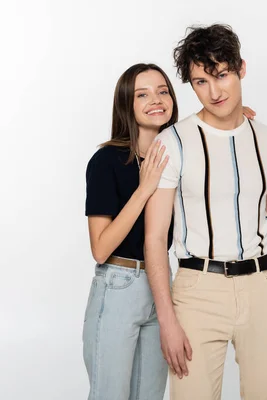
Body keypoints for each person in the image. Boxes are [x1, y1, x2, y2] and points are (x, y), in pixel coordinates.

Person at [144, 24, 267, 400]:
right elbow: (155, 238)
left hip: (265, 286)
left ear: (241, 67)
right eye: (200, 82)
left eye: (222, 75)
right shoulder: (172, 142)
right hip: (197, 290)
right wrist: (167, 320)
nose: (214, 91)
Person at [82, 63, 177, 400]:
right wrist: (144, 188)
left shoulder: (175, 157)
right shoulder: (106, 161)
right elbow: (100, 248)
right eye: (143, 94)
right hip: (119, 286)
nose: (156, 99)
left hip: (161, 286)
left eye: (163, 91)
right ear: (127, 103)